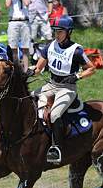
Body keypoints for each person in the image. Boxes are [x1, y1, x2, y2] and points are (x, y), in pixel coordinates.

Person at [31, 16, 96, 163]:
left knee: (54, 115)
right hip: (51, 84)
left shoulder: (77, 51)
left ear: (68, 32)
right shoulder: (50, 46)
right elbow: (38, 68)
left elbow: (92, 68)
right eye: (55, 31)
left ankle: (57, 148)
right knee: (29, 99)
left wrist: (77, 76)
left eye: (60, 32)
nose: (57, 34)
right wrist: (29, 71)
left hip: (67, 88)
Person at [5, 0, 31, 71]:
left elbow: (26, 3)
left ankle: (26, 69)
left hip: (24, 21)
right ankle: (16, 68)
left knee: (25, 47)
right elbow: (7, 5)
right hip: (13, 21)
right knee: (13, 47)